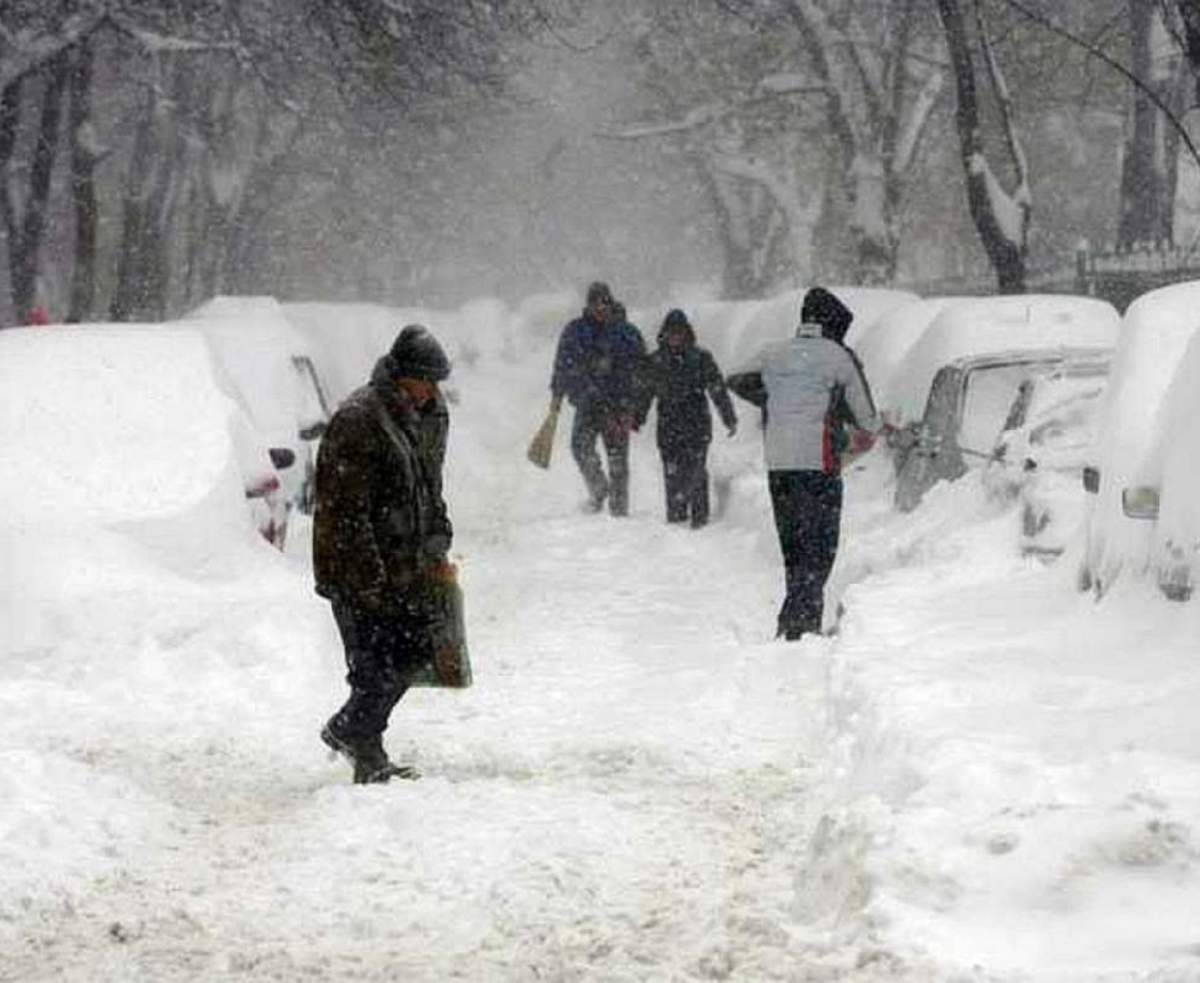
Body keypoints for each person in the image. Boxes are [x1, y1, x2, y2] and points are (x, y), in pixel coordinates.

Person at [313, 324, 455, 783]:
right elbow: (345, 510)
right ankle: (364, 748)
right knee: (375, 664)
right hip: (360, 569)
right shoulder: (361, 419)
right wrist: (367, 579)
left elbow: (425, 486)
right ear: (402, 376)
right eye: (426, 381)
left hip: (404, 564)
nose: (432, 391)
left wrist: (437, 536)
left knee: (412, 652)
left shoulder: (418, 416)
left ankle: (350, 729)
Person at [727, 287, 880, 641]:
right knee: (821, 544)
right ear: (834, 324)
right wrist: (839, 409)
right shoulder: (839, 357)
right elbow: (868, 419)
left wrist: (773, 398)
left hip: (779, 463)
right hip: (819, 463)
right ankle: (802, 624)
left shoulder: (774, 352)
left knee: (793, 544)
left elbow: (735, 378)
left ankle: (794, 619)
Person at [548, 281, 647, 515]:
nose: (599, 308)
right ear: (588, 305)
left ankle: (619, 509)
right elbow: (562, 364)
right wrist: (557, 394)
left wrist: (636, 402)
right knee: (580, 447)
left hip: (618, 406)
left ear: (610, 303)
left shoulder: (627, 333)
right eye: (595, 303)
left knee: (618, 460)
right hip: (587, 403)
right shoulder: (575, 331)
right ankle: (599, 486)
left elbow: (642, 370)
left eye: (604, 303)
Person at [636, 308, 737, 528]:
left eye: (679, 333)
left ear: (686, 333)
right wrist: (637, 417)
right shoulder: (655, 361)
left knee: (697, 470)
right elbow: (644, 393)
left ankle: (700, 517)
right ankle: (676, 515)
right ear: (665, 334)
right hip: (668, 426)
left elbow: (717, 389)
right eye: (671, 333)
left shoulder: (701, 358)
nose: (675, 337)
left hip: (697, 425)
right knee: (672, 472)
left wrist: (728, 417)